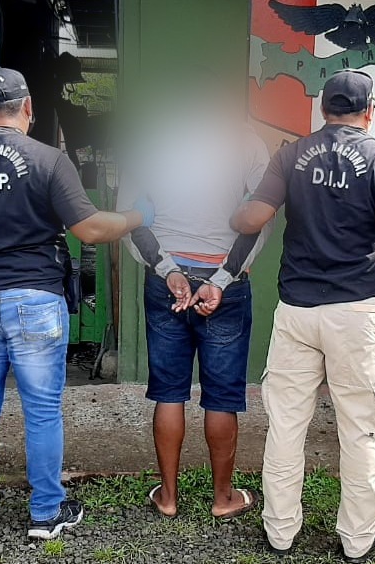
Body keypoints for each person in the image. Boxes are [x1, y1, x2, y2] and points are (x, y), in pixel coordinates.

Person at [0, 68, 149, 539]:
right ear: (27, 108)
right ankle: (46, 512)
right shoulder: (48, 160)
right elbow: (89, 229)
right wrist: (136, 215)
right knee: (42, 410)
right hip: (35, 299)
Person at [232, 70, 375, 563]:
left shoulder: (291, 155)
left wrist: (235, 215)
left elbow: (253, 217)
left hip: (297, 310)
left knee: (286, 426)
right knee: (361, 430)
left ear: (323, 108)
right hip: (356, 312)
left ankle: (280, 532)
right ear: (370, 111)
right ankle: (358, 540)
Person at [118, 85, 270, 521]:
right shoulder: (247, 142)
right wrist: (221, 279)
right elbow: (260, 218)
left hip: (166, 283)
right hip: (226, 285)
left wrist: (169, 271)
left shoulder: (149, 141)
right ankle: (223, 498)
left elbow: (130, 216)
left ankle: (168, 497)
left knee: (169, 393)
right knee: (222, 397)